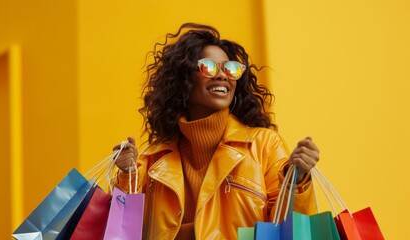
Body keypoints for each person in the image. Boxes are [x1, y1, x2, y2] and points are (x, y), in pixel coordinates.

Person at [112, 23, 319, 240]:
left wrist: (297, 179)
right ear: (184, 78)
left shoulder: (265, 145)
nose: (222, 76)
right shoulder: (154, 160)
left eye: (230, 69)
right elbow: (122, 232)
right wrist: (127, 175)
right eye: (208, 67)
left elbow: (289, 231)